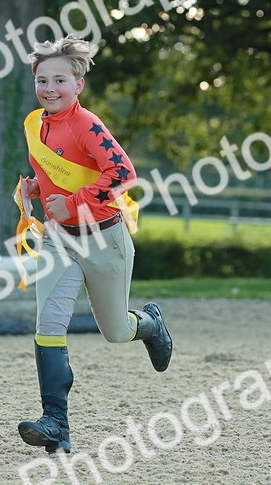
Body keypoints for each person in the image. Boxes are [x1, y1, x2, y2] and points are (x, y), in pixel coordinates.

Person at [16, 35, 173, 455]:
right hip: (59, 240)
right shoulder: (37, 124)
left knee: (116, 332)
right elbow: (65, 172)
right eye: (42, 80)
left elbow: (122, 175)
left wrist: (72, 204)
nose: (50, 88)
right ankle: (55, 423)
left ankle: (151, 324)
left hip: (105, 241)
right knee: (49, 324)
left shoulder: (87, 124)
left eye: (60, 80)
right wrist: (37, 187)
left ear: (78, 84)